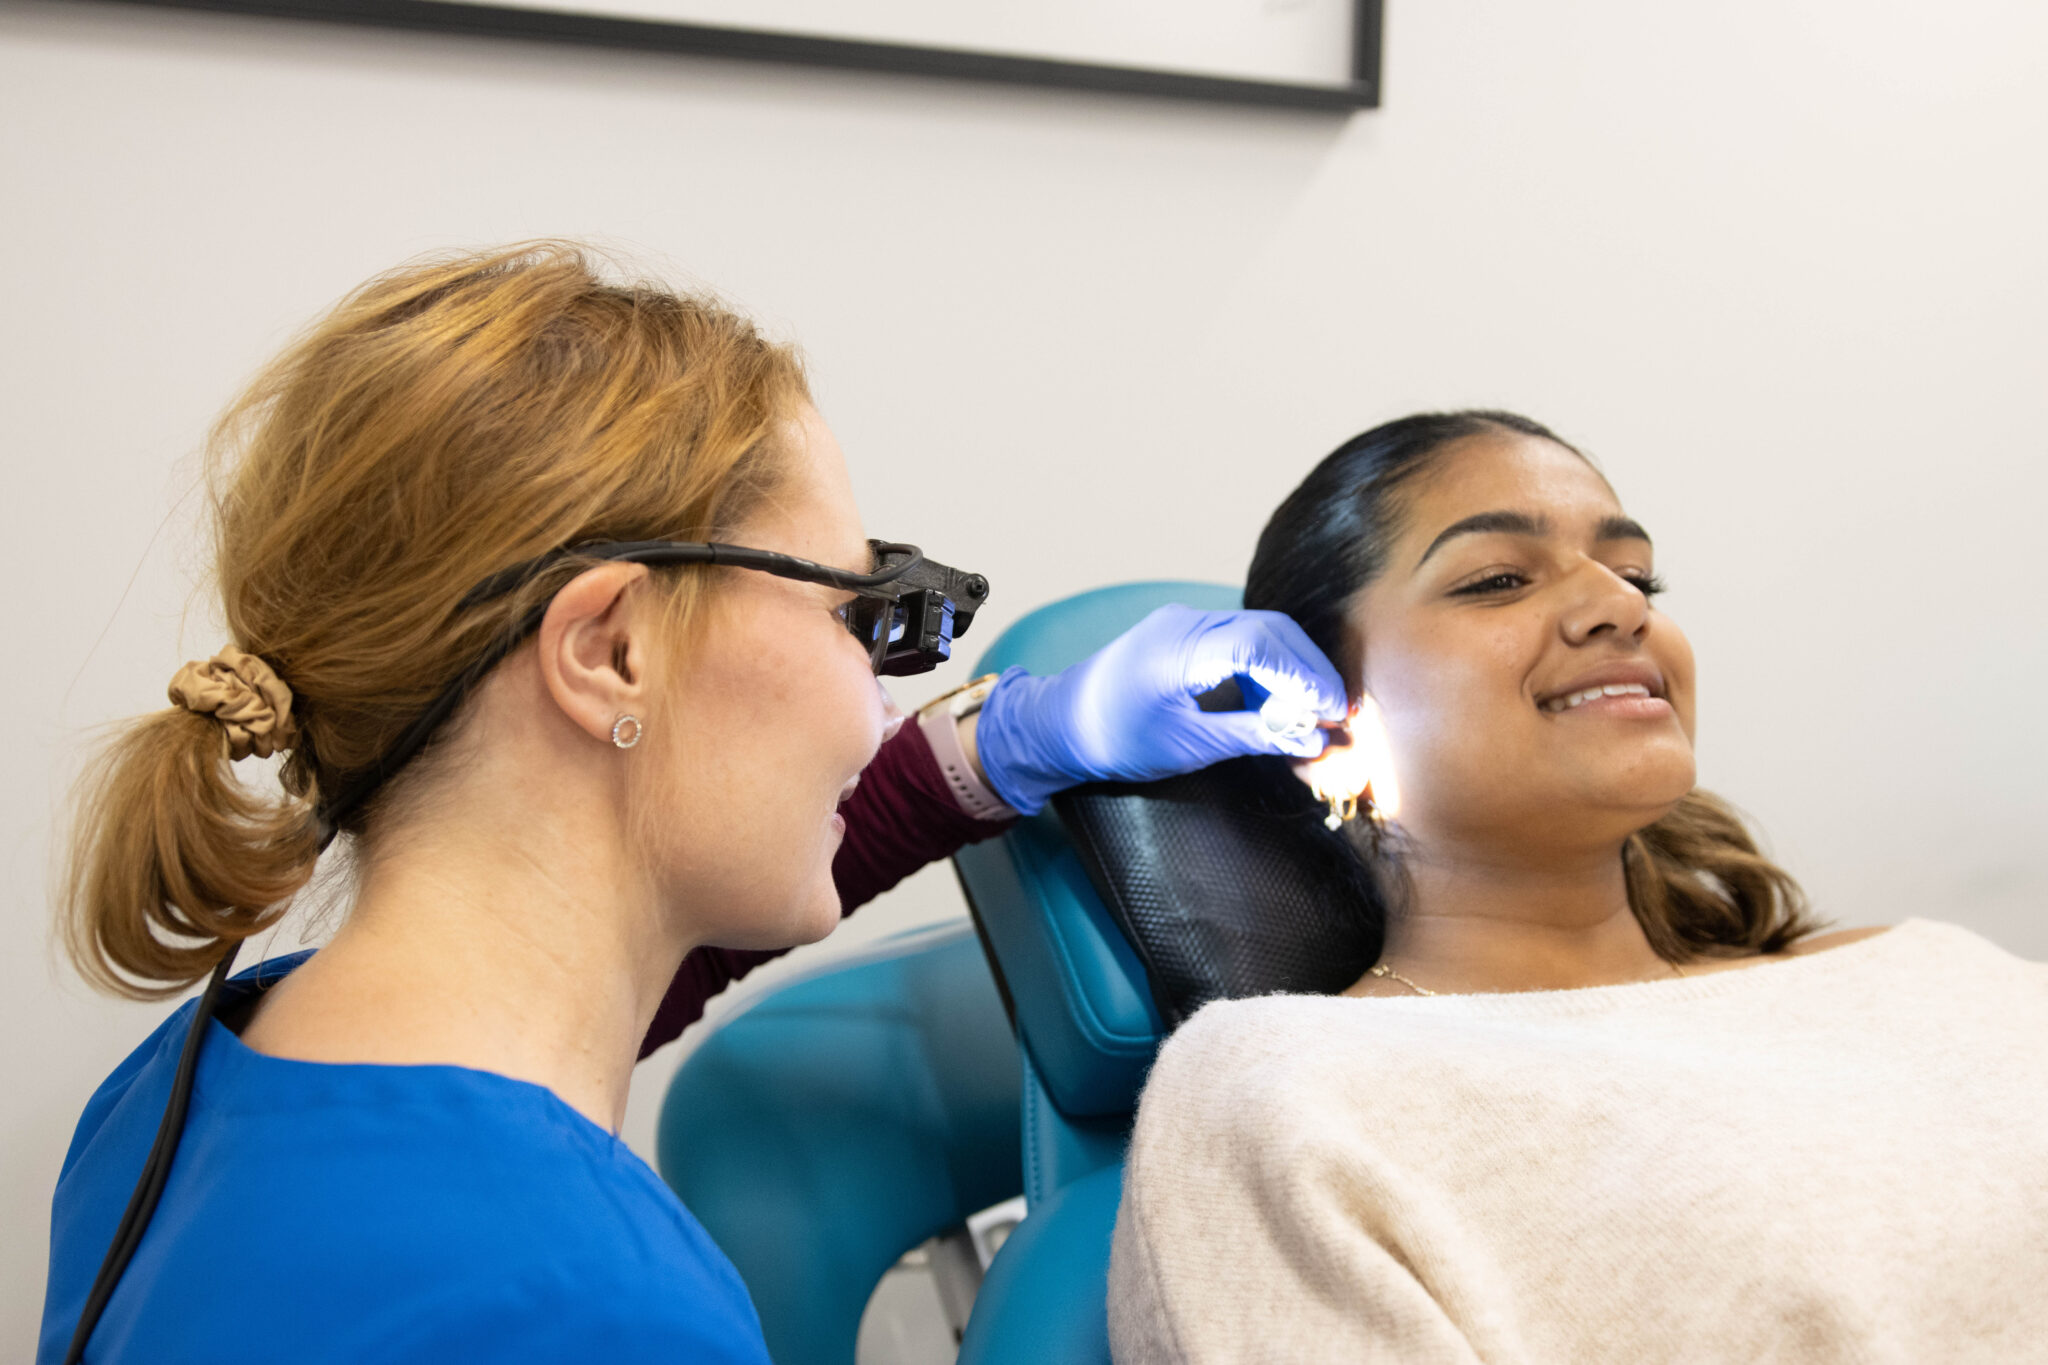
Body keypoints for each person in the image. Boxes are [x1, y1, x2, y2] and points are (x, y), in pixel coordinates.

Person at [38, 243, 1344, 1365]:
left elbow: (641, 968)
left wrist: (1014, 744)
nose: (871, 703)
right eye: (856, 616)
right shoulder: (592, 1308)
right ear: (608, 649)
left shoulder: (188, 1088)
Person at [1108, 410, 2048, 1363]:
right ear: (1317, 716)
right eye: (1498, 579)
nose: (1619, 605)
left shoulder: (1932, 968)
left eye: (1637, 576)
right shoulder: (1288, 1090)